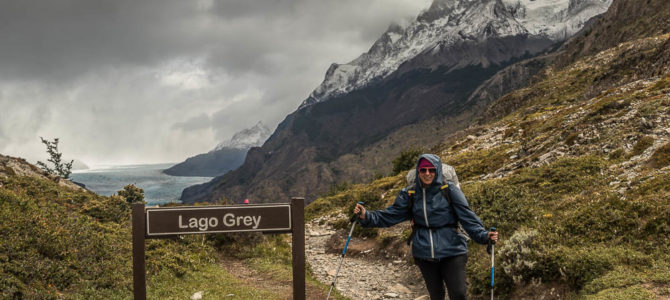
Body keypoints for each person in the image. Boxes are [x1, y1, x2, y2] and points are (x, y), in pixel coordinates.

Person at [354, 153, 498, 300]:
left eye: (431, 170)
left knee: (459, 294)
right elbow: (390, 216)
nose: (427, 173)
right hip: (424, 252)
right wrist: (366, 216)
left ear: (437, 170)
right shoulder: (410, 193)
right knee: (436, 295)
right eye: (423, 170)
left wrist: (484, 236)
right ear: (418, 171)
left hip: (453, 250)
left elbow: (468, 218)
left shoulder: (450, 190)